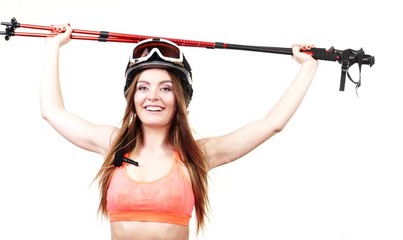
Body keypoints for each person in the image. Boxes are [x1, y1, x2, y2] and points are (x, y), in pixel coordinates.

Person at [40, 24, 318, 240]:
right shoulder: (113, 145)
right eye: (143, 87)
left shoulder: (197, 155)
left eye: (166, 88)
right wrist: (54, 46)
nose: (153, 97)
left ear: (180, 99)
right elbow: (52, 111)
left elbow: (272, 123)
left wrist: (307, 67)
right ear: (132, 97)